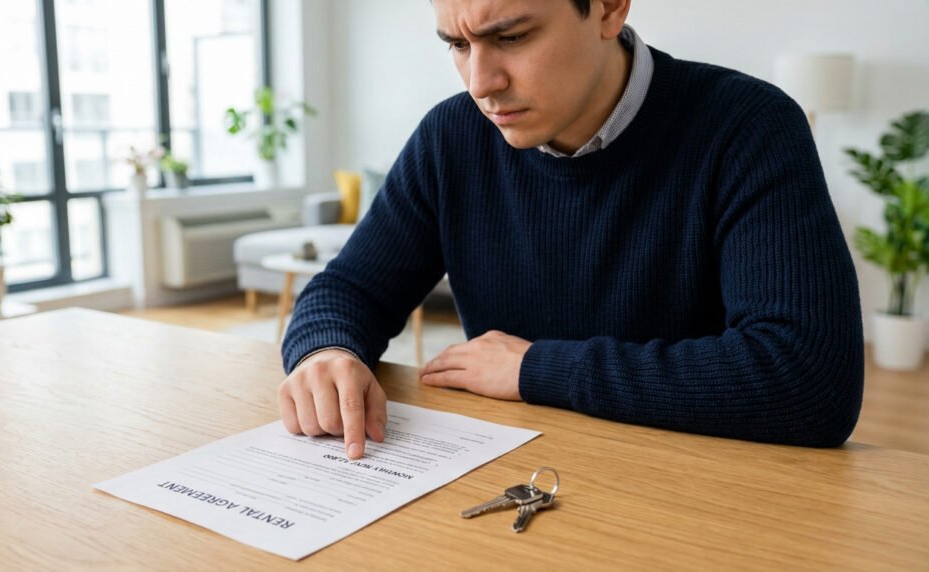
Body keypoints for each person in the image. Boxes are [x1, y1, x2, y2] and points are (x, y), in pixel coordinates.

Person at [276, 0, 864, 459]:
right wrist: (327, 351)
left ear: (609, 9)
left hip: (695, 490)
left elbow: (808, 379)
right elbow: (351, 289)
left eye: (510, 37)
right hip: (506, 476)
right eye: (458, 44)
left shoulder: (748, 127)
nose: (480, 83)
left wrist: (538, 369)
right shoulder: (450, 138)